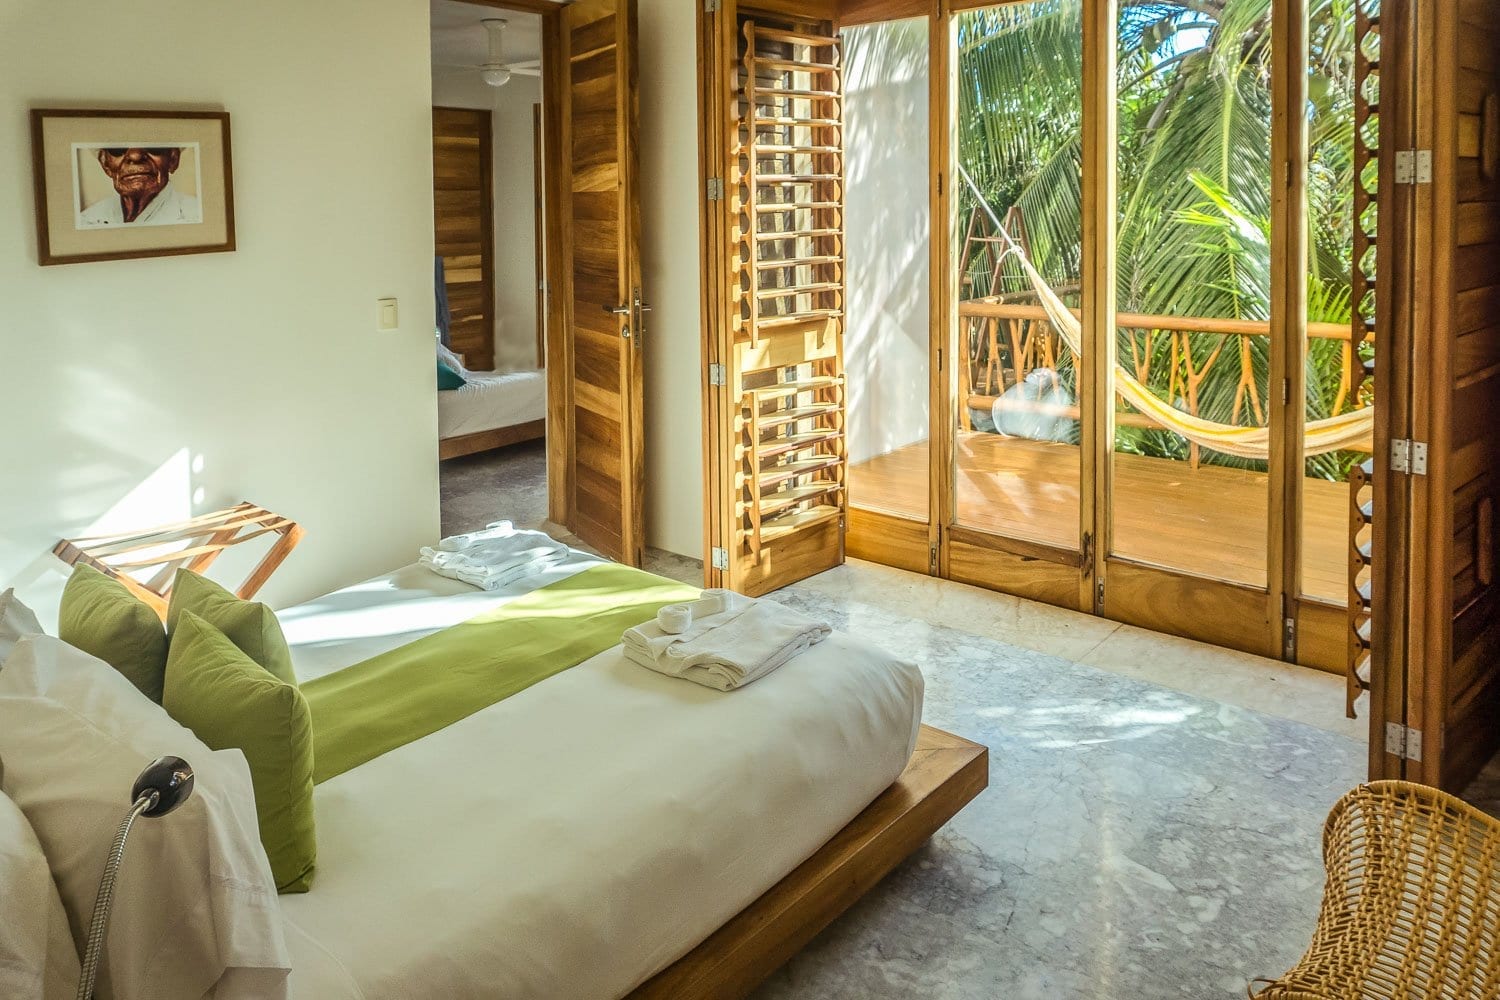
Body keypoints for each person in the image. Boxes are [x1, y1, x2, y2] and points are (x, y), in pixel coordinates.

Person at [78, 146, 201, 227]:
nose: (135, 156)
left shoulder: (197, 216)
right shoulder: (86, 220)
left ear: (173, 159)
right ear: (105, 163)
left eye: (153, 146)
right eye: (118, 148)